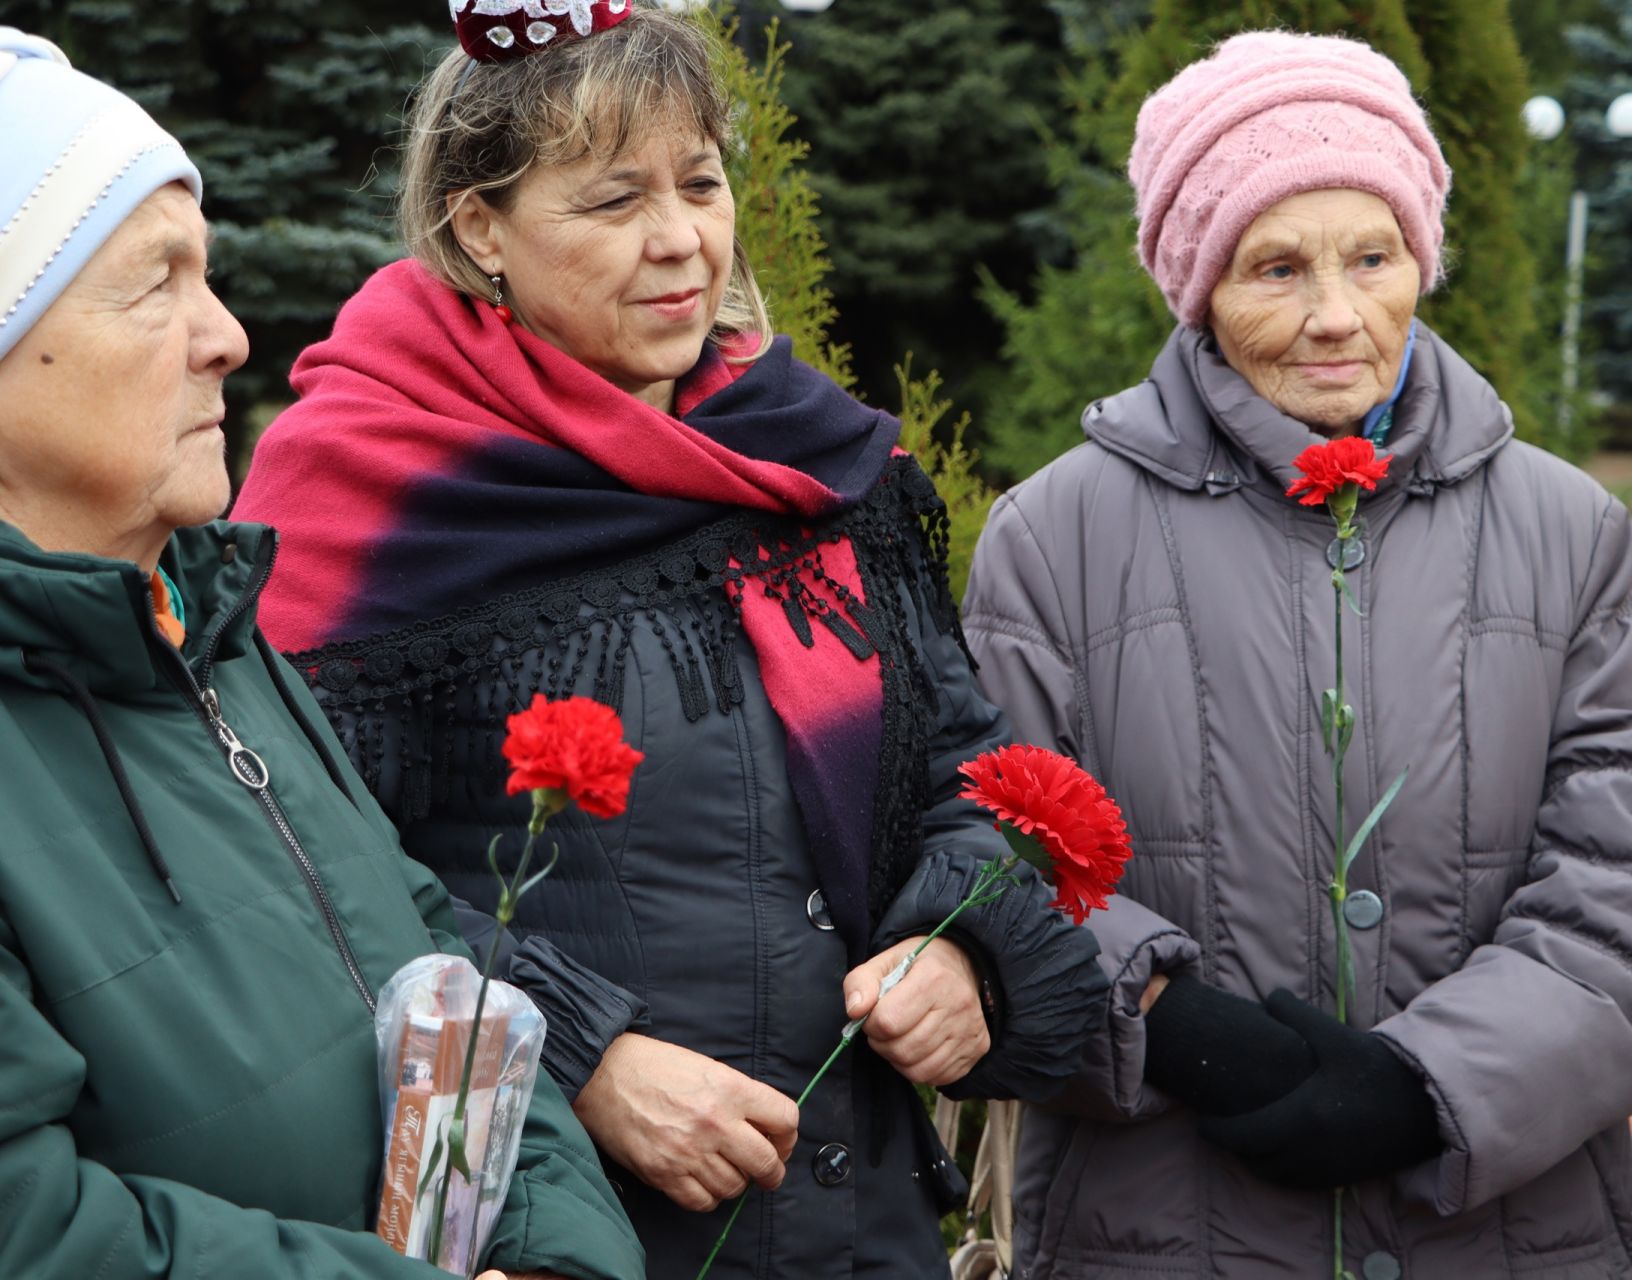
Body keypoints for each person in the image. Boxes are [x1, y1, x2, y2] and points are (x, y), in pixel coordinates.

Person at [0, 26, 643, 1280]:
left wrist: (549, 1251)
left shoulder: (190, 620)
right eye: (156, 285)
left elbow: (429, 959)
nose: (227, 337)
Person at [228, 6, 1109, 1276]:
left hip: (864, 1225)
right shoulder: (365, 493)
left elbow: (961, 767)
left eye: (701, 182)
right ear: (481, 226)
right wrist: (578, 1059)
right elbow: (292, 870)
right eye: (612, 200)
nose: (680, 239)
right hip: (567, 1230)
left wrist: (963, 946)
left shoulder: (811, 456)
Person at [964, 31, 1632, 1278]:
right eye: (1275, 267)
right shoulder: (1052, 538)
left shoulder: (1575, 533)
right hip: (1162, 1222)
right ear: (1198, 282)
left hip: (1512, 1230)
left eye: (1373, 257)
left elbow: (1617, 867)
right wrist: (1184, 1032)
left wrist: (1427, 1086)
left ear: (1419, 257)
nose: (1337, 315)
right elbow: (985, 849)